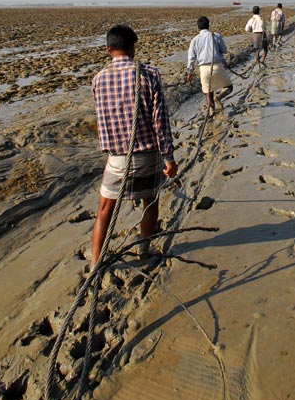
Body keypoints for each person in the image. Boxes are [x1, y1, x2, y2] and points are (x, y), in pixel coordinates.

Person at [91, 25, 178, 267]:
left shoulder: (98, 78)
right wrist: (169, 157)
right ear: (133, 47)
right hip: (148, 156)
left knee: (104, 210)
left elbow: (101, 118)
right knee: (150, 202)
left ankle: (95, 263)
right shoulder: (149, 74)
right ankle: (143, 251)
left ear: (109, 49)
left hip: (117, 158)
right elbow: (160, 120)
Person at [187, 16, 233, 112]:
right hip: (217, 66)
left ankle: (211, 110)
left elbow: (191, 58)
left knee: (208, 92)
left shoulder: (194, 40)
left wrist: (190, 72)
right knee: (229, 87)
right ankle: (219, 97)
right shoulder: (216, 36)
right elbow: (224, 50)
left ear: (198, 27)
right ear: (208, 25)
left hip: (203, 69)